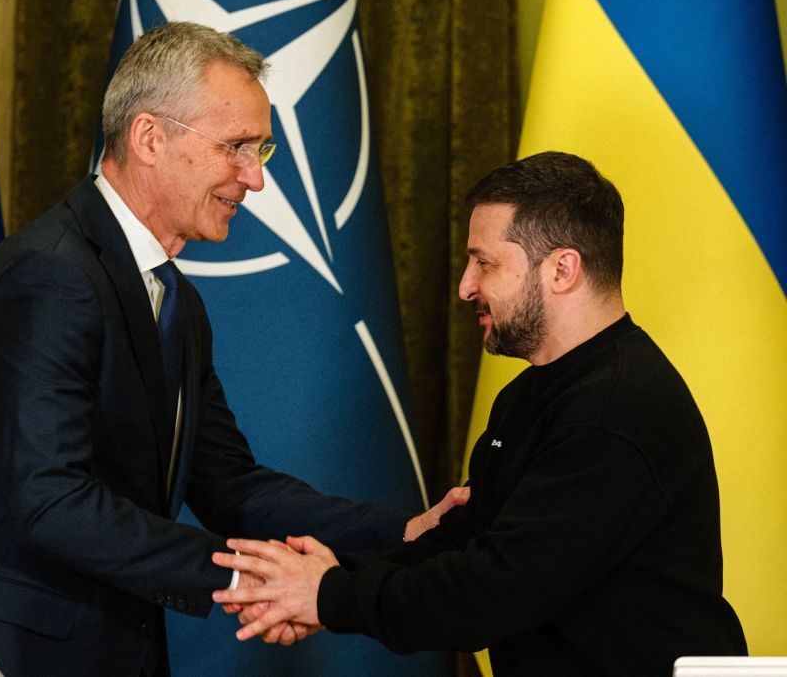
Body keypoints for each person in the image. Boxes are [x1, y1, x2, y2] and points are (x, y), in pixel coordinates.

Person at [0, 21, 458, 677]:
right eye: (236, 147)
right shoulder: (51, 276)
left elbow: (231, 487)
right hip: (13, 652)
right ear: (149, 138)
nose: (254, 179)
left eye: (261, 150)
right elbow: (52, 498)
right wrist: (247, 580)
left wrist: (400, 534)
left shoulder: (172, 300)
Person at [213, 151, 748, 676]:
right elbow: (465, 544)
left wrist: (328, 595)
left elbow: (495, 590)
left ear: (562, 269)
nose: (466, 286)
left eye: (485, 262)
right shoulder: (529, 395)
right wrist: (325, 580)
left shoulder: (618, 409)